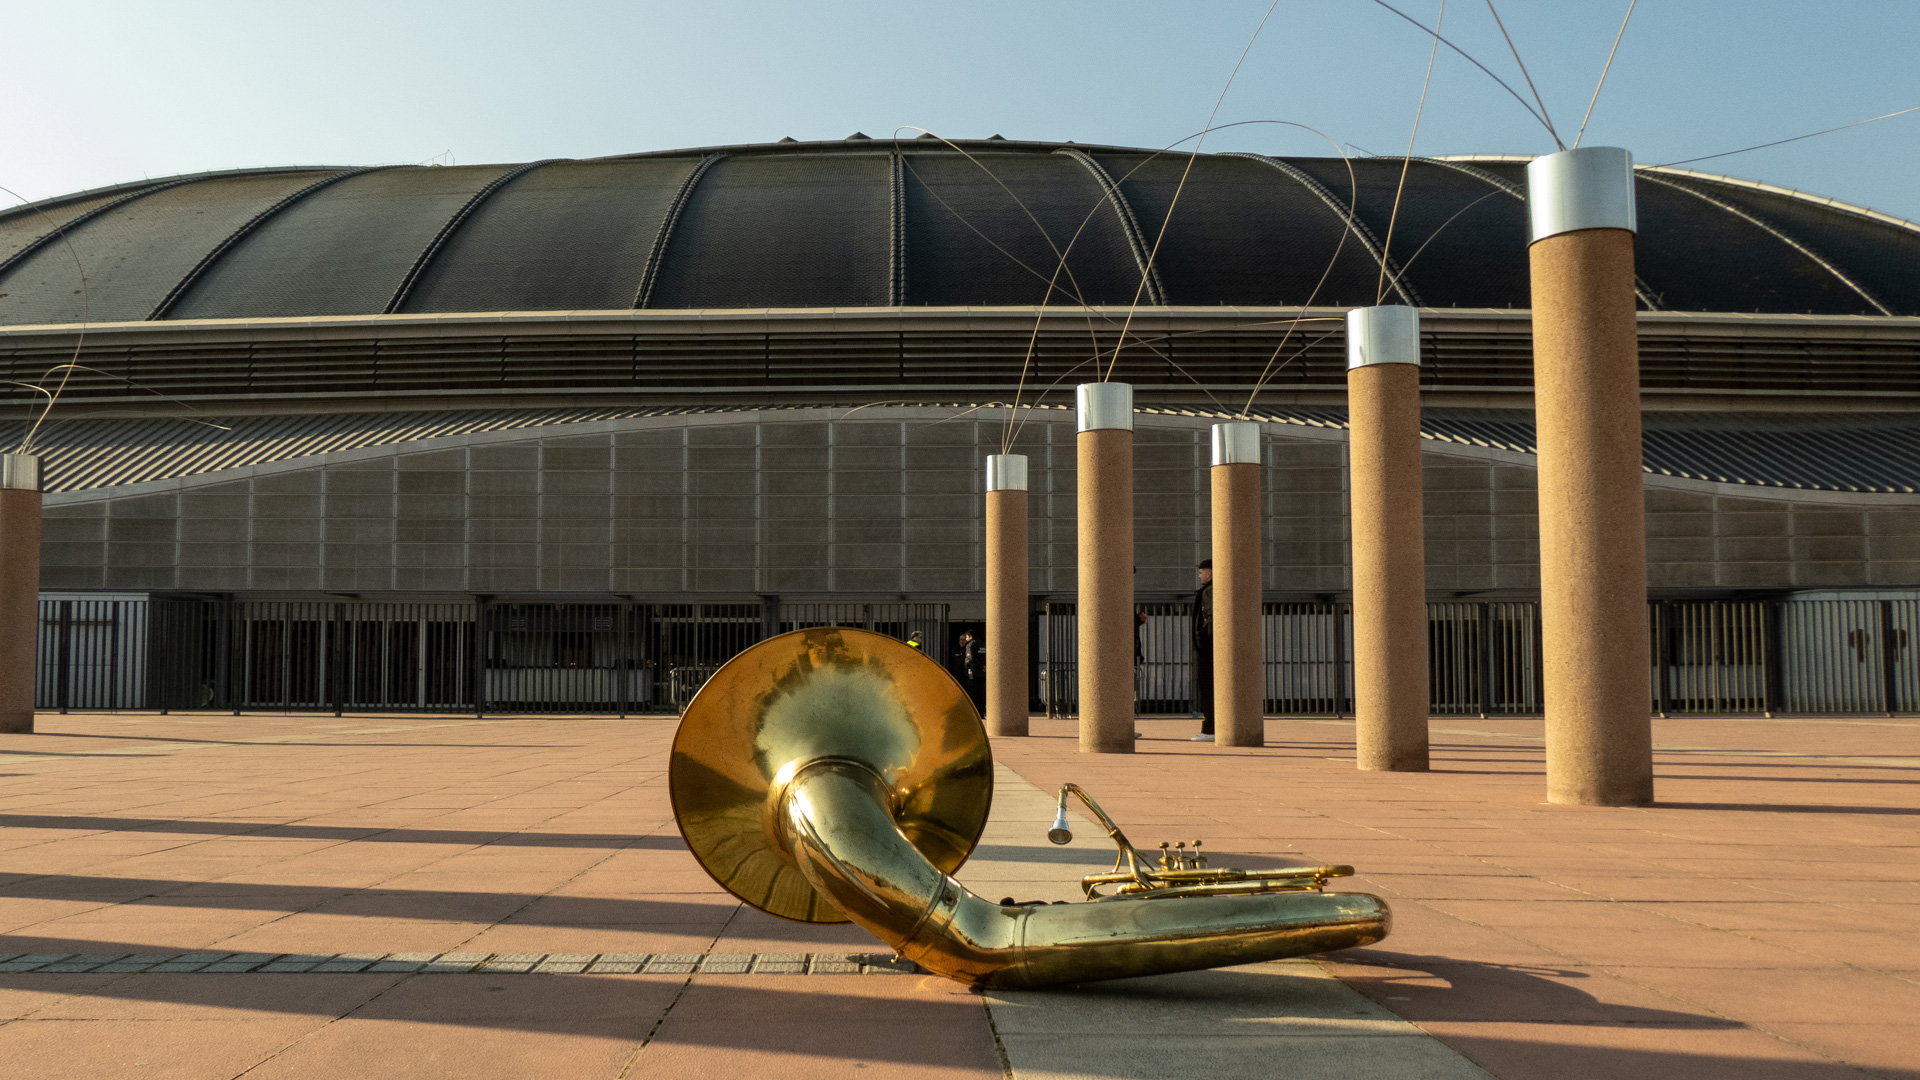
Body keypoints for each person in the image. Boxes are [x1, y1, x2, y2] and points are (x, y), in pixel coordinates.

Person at [1190, 559, 1215, 741]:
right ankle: (1212, 727)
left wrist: (1202, 638)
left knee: (1207, 687)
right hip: (1208, 646)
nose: (1199, 576)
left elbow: (1209, 619)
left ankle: (1210, 729)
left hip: (1207, 648)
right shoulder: (1210, 590)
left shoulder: (1209, 592)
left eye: (1201, 572)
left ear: (1210, 573)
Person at [956, 629, 986, 713]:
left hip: (973, 673)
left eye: (966, 637)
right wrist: (984, 667)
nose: (965, 639)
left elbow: (971, 658)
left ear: (970, 636)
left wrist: (980, 666)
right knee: (982, 693)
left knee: (973, 694)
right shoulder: (983, 644)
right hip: (983, 673)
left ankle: (975, 712)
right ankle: (982, 712)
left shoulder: (970, 645)